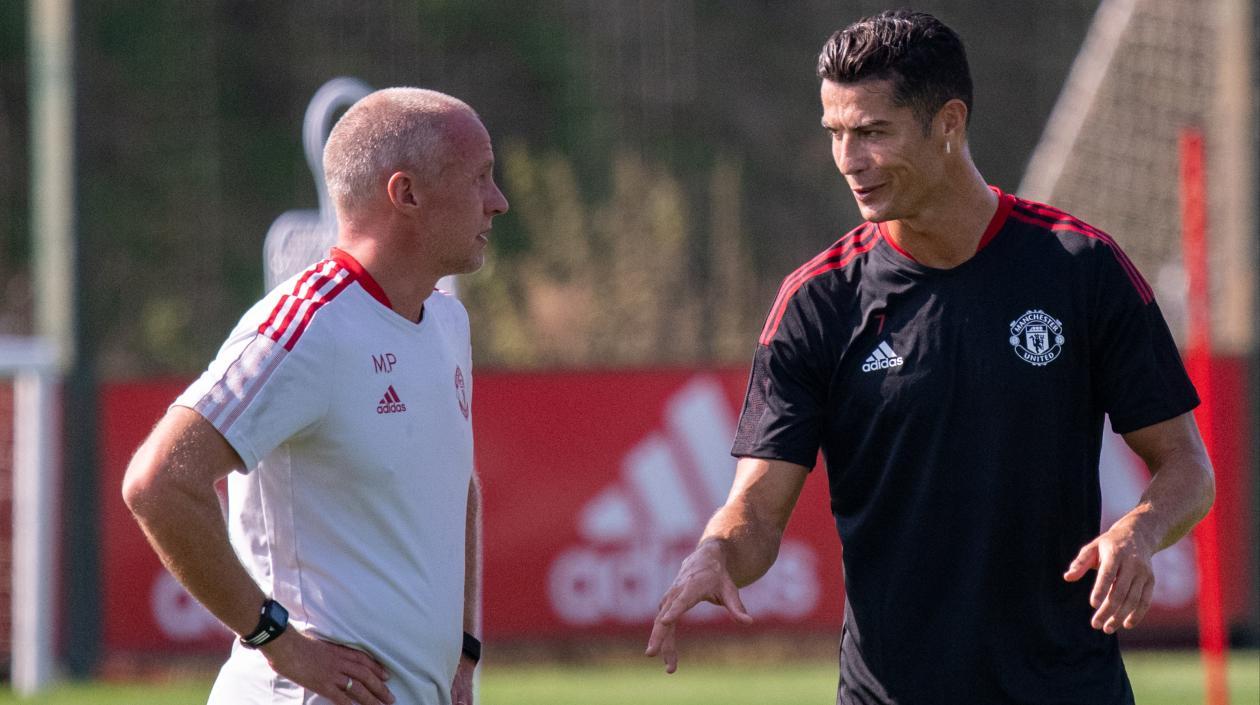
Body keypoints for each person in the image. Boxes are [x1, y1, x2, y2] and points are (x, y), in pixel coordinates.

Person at [646, 10, 1214, 704]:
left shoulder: (1082, 269)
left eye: (873, 132)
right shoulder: (817, 303)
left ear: (949, 123)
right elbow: (757, 512)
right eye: (837, 134)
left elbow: (1187, 465)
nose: (849, 159)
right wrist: (717, 550)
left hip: (1068, 688)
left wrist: (1142, 527)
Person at [123, 87, 508, 705]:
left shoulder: (445, 320)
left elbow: (459, 486)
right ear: (405, 194)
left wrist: (462, 655)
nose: (499, 202)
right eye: (480, 179)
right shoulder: (306, 326)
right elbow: (159, 483)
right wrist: (278, 641)